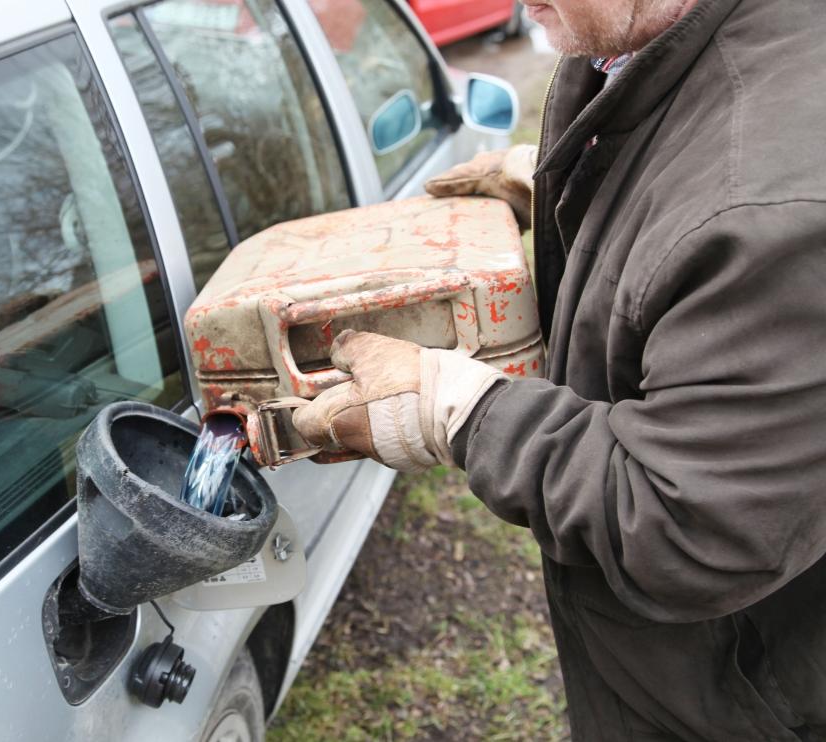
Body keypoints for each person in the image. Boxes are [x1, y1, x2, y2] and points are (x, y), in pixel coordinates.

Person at [294, 0, 826, 738]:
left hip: (738, 694)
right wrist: (584, 190)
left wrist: (460, 412)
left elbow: (688, 525)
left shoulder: (770, 208)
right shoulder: (652, 46)